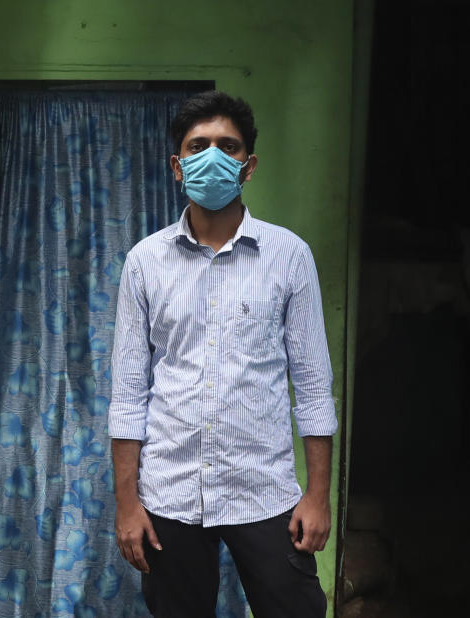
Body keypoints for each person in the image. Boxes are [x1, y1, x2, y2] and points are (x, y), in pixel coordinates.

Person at [108, 90, 337, 618]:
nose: (212, 156)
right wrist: (127, 503)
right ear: (177, 165)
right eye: (198, 145)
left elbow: (312, 385)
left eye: (227, 146)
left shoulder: (289, 256)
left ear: (248, 165)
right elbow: (128, 394)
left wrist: (318, 496)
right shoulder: (145, 263)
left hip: (265, 491)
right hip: (170, 494)